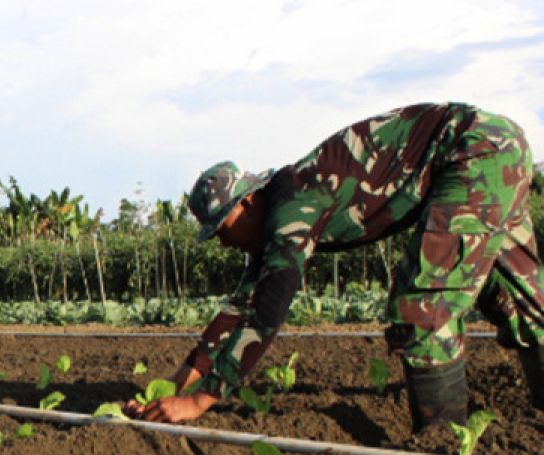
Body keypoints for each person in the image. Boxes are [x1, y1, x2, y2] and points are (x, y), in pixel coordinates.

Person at [130, 102, 544, 432]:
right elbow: (240, 306)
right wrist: (174, 387)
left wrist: (201, 401)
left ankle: (445, 443)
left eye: (223, 227)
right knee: (516, 297)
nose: (221, 239)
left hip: (471, 153)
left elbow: (268, 311)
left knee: (422, 307)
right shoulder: (282, 210)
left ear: (247, 201)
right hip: (493, 145)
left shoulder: (292, 206)